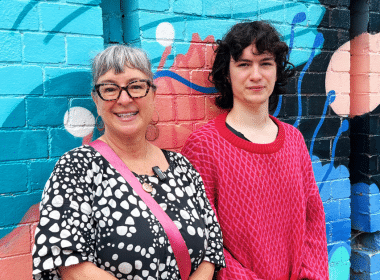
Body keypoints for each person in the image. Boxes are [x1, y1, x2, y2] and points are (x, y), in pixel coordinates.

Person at [32, 44, 225, 280]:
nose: (124, 99)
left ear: (153, 94)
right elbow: (65, 260)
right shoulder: (77, 167)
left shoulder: (182, 167)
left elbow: (212, 247)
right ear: (96, 100)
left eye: (136, 86)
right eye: (110, 89)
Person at [181, 21, 329, 280]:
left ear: (276, 71)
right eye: (244, 64)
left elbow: (313, 218)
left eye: (266, 63)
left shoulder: (293, 139)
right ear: (227, 73)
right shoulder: (204, 144)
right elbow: (202, 237)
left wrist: (312, 275)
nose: (256, 75)